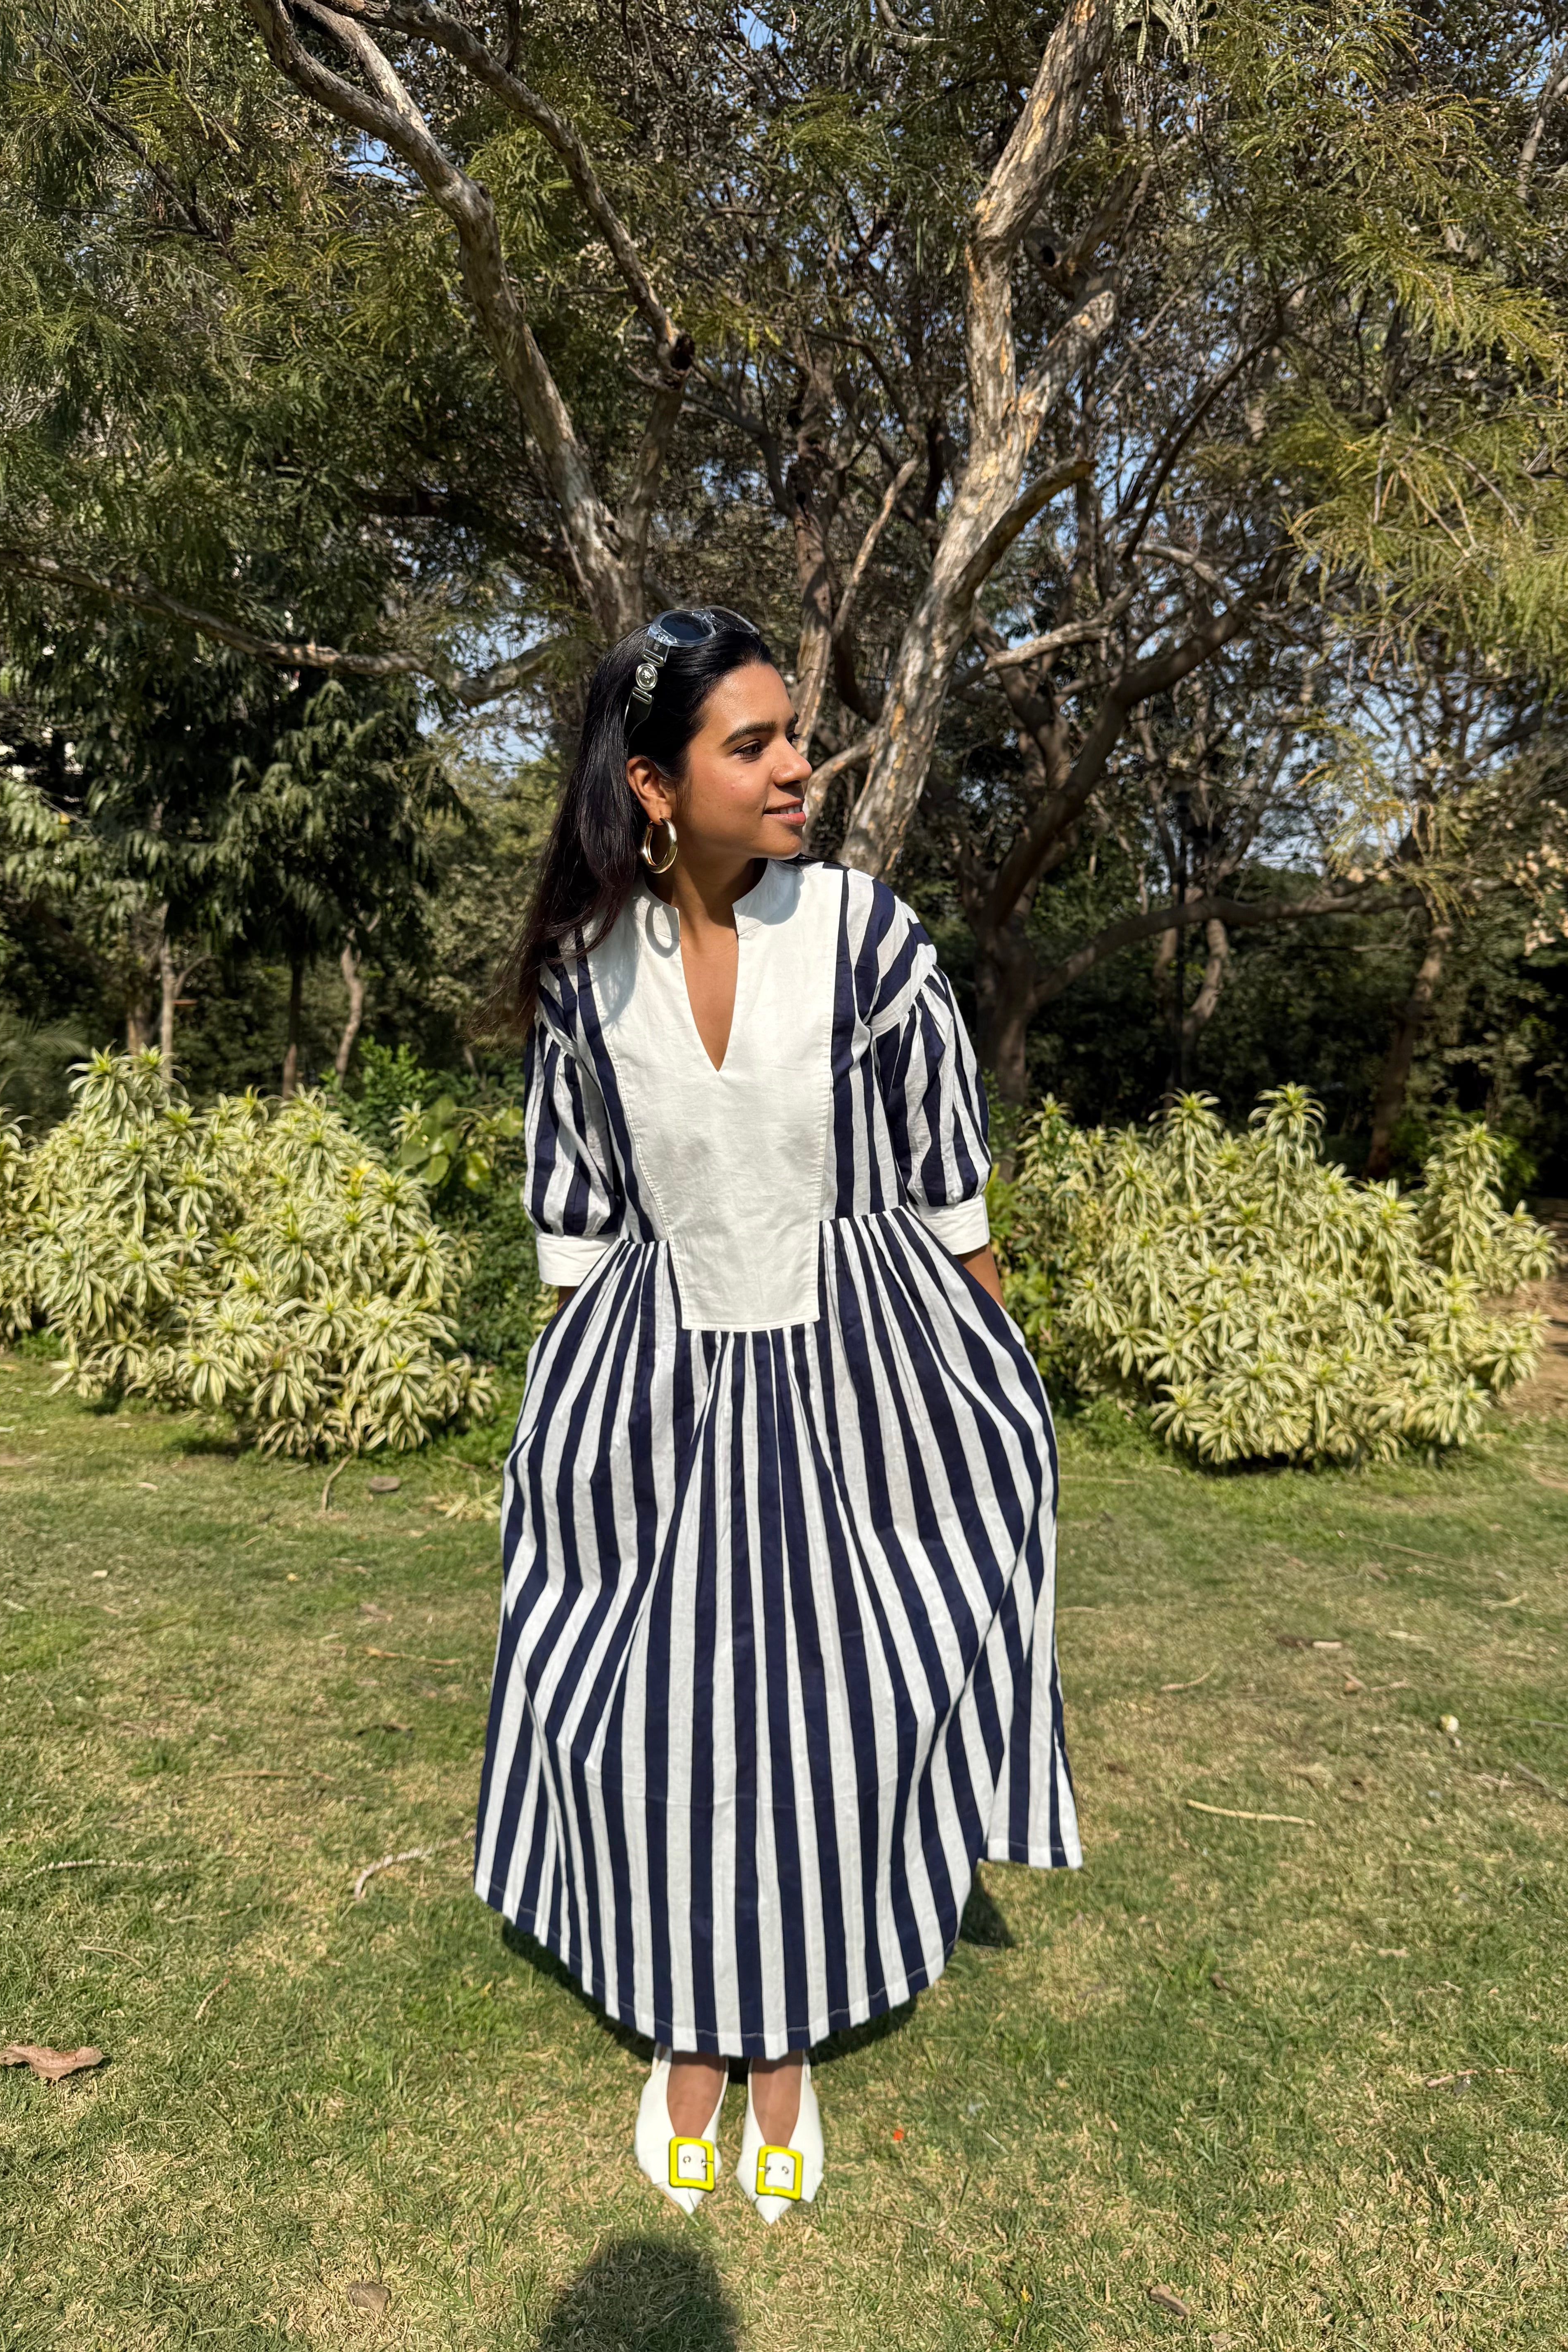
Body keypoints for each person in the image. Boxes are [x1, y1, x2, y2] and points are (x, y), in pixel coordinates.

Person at [475, 607, 1080, 2222]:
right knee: (668, 1716)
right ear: (657, 785)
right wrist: (572, 1439)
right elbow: (578, 1225)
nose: (796, 763)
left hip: (855, 1380)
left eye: (791, 733)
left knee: (830, 1711)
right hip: (660, 1385)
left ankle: (788, 2040)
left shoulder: (868, 940)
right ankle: (689, 2037)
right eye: (752, 742)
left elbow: (950, 1188)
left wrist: (989, 1379)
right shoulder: (585, 982)